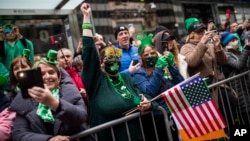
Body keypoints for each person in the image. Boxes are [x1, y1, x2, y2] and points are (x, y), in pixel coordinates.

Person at [80, 3, 157, 141]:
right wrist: (86, 17)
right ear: (101, 64)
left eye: (116, 59)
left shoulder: (126, 78)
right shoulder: (96, 81)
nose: (113, 62)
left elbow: (145, 96)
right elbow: (89, 53)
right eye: (109, 59)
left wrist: (148, 104)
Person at [8, 49, 92, 141]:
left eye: (51, 72)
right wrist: (49, 139)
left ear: (59, 77)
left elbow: (80, 117)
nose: (47, 77)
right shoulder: (24, 101)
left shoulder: (71, 93)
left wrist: (54, 103)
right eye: (41, 74)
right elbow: (19, 134)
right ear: (35, 78)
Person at [133, 32, 184, 141]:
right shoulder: (139, 73)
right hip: (156, 118)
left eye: (152, 53)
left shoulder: (163, 68)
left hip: (173, 113)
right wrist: (159, 69)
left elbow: (180, 84)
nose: (150, 56)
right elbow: (149, 91)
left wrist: (172, 66)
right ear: (141, 57)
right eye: (146, 55)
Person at [180, 17, 227, 104]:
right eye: (199, 32)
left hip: (219, 86)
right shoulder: (185, 47)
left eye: (203, 31)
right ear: (192, 34)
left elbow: (223, 61)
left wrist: (217, 48)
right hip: (204, 90)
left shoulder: (210, 45)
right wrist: (202, 43)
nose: (202, 34)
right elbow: (192, 62)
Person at [0, 50, 33, 141]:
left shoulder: (39, 86)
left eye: (24, 67)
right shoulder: (8, 90)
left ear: (31, 67)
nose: (20, 70)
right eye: (16, 68)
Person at [220, 32, 250, 124]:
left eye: (236, 39)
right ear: (226, 43)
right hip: (238, 89)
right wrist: (247, 48)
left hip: (245, 87)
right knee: (245, 116)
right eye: (232, 40)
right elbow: (239, 65)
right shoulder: (226, 55)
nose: (236, 41)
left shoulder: (238, 52)